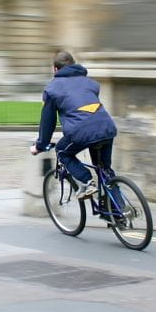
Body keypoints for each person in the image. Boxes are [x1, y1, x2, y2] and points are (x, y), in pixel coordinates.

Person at [30, 49, 118, 199]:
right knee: (105, 170)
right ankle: (119, 214)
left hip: (80, 132)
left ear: (55, 69)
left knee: (62, 151)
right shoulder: (90, 83)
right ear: (74, 65)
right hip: (106, 127)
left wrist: (40, 146)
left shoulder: (52, 89)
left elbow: (48, 123)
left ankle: (87, 182)